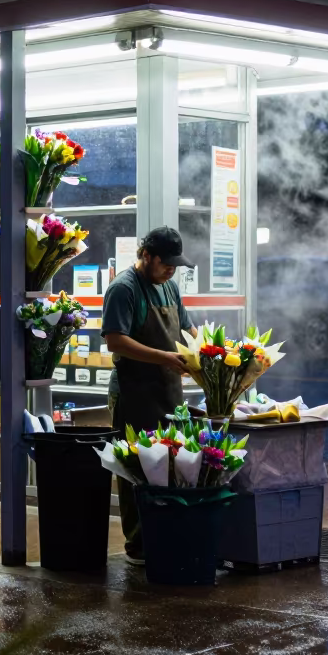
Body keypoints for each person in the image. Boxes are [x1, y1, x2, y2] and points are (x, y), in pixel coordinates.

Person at [102, 226, 194, 565]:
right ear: (146, 256)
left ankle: (164, 534)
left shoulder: (169, 287)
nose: (171, 269)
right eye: (166, 263)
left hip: (168, 392)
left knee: (170, 465)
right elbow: (115, 340)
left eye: (175, 264)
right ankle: (138, 545)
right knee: (137, 471)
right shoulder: (124, 289)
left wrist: (206, 353)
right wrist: (166, 358)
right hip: (133, 393)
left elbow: (187, 327)